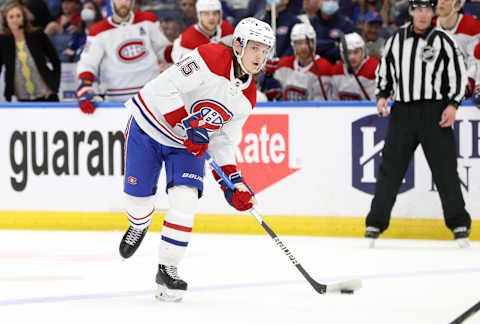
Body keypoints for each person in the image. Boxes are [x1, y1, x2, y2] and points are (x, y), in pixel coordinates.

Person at [118, 17, 274, 302]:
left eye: (265, 51)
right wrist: (188, 126)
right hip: (151, 125)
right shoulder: (210, 56)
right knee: (138, 203)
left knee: (185, 200)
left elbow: (223, 141)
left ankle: (168, 269)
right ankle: (139, 223)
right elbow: (162, 87)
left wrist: (233, 184)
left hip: (187, 145)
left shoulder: (248, 96)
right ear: (238, 45)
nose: (259, 56)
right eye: (254, 48)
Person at [367, 0, 471, 248]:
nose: (423, 14)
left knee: (445, 170)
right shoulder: (395, 40)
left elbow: (458, 74)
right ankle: (375, 223)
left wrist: (452, 105)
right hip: (402, 111)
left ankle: (458, 224)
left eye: (427, 10)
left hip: (434, 112)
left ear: (432, 12)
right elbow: (385, 71)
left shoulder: (444, 40)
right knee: (390, 170)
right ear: (412, 12)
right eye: (418, 9)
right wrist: (382, 95)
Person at [75, 0, 171, 113]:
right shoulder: (98, 31)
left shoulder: (148, 20)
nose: (123, 3)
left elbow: (162, 50)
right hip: (116, 100)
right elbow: (88, 63)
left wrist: (178, 51)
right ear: (112, 2)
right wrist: (85, 86)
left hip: (150, 96)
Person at [0, 2, 60, 102]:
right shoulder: (3, 41)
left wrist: (54, 86)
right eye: (11, 17)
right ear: (6, 20)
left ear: (23, 18)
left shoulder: (37, 34)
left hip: (46, 95)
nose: (15, 20)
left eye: (18, 16)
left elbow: (55, 60)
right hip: (21, 98)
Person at [272, 22, 333, 101]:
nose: (303, 47)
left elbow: (321, 104)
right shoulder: (283, 64)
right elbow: (276, 96)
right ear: (293, 45)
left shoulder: (323, 67)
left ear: (314, 43)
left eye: (307, 42)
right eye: (299, 43)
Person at [435, 0, 480, 98]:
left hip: (467, 89)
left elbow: (475, 62)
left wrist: (468, 82)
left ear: (458, 4)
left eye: (446, 0)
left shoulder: (473, 26)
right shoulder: (428, 28)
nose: (441, 2)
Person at [331, 32, 378, 100]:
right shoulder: (336, 71)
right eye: (348, 52)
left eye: (356, 52)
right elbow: (333, 102)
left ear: (363, 52)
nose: (352, 57)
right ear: (342, 54)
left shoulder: (374, 68)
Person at [310, 0, 356, 64]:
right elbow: (310, 46)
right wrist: (333, 43)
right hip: (315, 65)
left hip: (338, 66)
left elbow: (347, 49)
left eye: (334, 0)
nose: (331, 2)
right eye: (327, 0)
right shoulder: (311, 23)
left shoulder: (346, 24)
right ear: (318, 2)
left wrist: (322, 50)